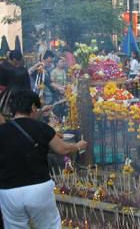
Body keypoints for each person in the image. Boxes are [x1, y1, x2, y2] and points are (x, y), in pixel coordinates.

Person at [0, 89, 87, 228]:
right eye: (37, 108)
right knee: (49, 225)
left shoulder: (2, 130)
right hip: (37, 188)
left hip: (9, 192)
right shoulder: (41, 128)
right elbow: (62, 149)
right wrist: (77, 146)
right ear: (33, 107)